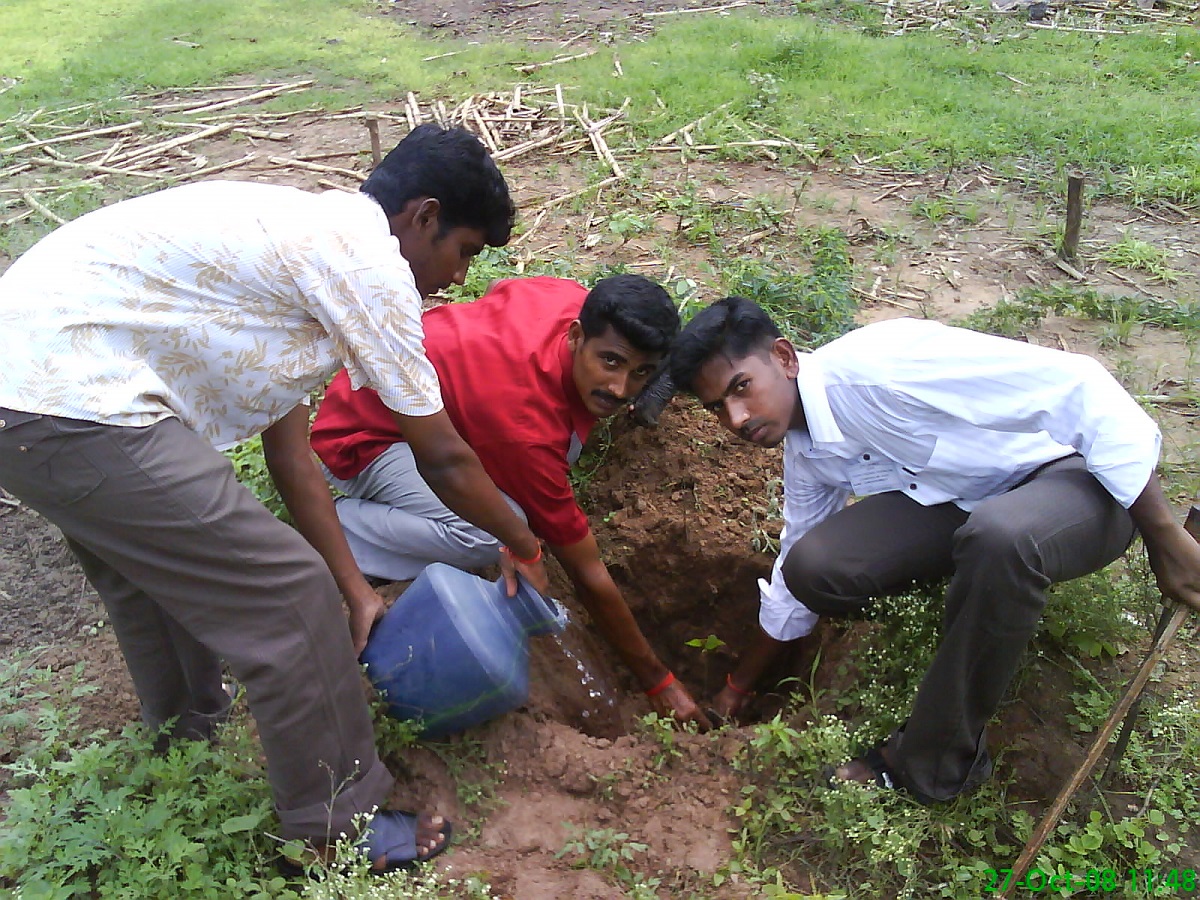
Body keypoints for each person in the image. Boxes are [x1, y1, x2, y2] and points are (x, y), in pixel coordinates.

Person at [0, 124, 552, 872]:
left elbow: (292, 457)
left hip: (27, 395)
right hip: (73, 402)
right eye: (464, 251)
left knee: (148, 578)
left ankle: (185, 740)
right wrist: (520, 540)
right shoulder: (365, 262)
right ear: (424, 217)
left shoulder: (306, 251)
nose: (458, 278)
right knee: (290, 595)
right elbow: (443, 455)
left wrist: (356, 589)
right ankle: (334, 829)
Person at [668, 297, 1200, 803]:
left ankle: (934, 762)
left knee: (1000, 538)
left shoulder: (882, 367)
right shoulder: (806, 449)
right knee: (815, 566)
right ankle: (982, 597)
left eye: (742, 388)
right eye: (718, 408)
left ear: (784, 357)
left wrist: (1165, 538)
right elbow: (795, 561)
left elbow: (1082, 385)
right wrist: (738, 687)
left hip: (1078, 478)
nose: (736, 418)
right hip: (967, 499)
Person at [310, 274, 711, 728]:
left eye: (640, 373)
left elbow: (500, 291)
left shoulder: (568, 298)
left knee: (520, 496)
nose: (621, 388)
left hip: (416, 395)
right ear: (576, 336)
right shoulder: (527, 431)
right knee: (492, 533)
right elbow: (585, 570)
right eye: (611, 362)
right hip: (364, 434)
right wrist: (658, 681)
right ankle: (337, 529)